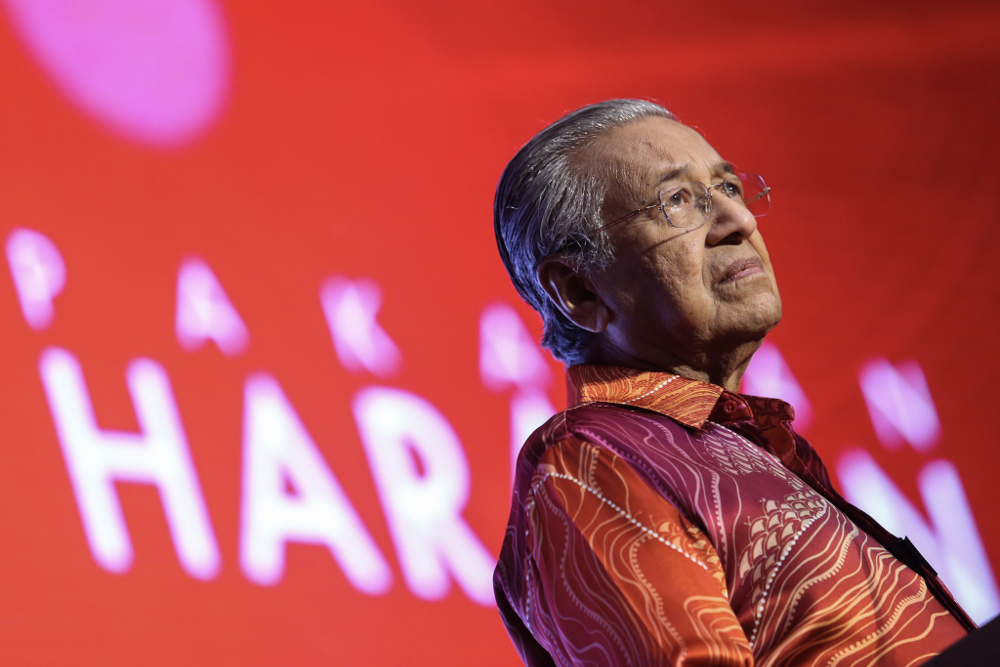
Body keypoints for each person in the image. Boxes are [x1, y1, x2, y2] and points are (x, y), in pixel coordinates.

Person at [491, 99, 975, 666]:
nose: (739, 221)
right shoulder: (592, 460)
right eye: (677, 201)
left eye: (728, 188)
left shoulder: (747, 446)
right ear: (579, 291)